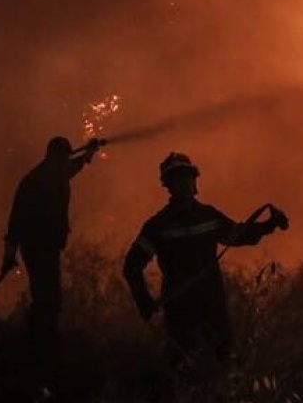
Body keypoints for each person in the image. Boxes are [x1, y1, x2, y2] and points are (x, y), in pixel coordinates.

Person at [123, 152, 287, 376]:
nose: (184, 183)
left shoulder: (208, 216)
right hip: (180, 308)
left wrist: (269, 224)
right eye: (177, 178)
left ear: (195, 180)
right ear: (168, 186)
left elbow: (237, 236)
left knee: (223, 357)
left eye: (188, 177)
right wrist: (144, 301)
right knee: (183, 366)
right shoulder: (158, 225)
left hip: (212, 302)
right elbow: (132, 266)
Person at [1, 136, 103, 353]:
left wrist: (90, 152)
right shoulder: (34, 181)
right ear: (51, 156)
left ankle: (43, 337)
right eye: (61, 158)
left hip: (49, 246)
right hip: (36, 246)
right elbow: (16, 219)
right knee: (45, 294)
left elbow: (77, 166)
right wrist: (9, 254)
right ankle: (38, 341)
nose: (64, 162)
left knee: (50, 294)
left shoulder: (57, 174)